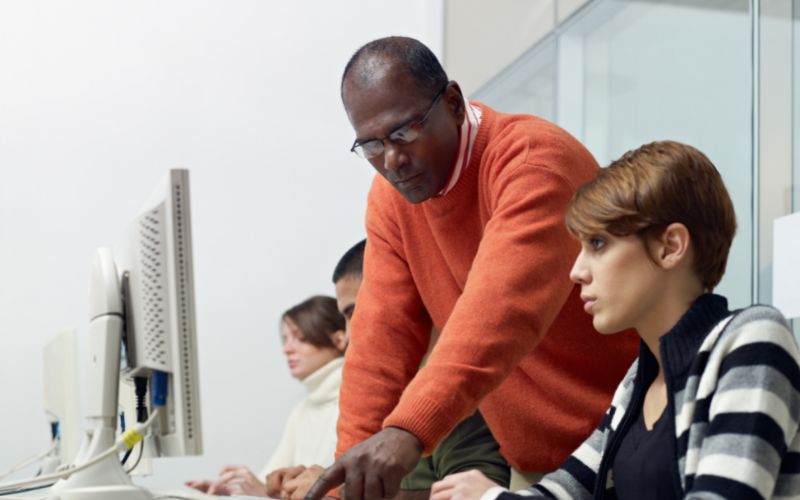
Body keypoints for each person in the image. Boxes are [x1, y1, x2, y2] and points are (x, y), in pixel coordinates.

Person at [306, 36, 639, 500]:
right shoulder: (392, 198)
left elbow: (499, 313)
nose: (392, 160)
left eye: (403, 132)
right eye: (371, 145)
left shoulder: (533, 160)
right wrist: (348, 483)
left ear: (454, 103)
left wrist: (408, 431)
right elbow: (379, 342)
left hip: (624, 445)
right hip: (536, 467)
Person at [429, 140, 800, 499]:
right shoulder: (638, 380)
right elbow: (562, 492)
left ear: (670, 246)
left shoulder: (752, 340)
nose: (576, 272)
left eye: (598, 244)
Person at [268, 240, 510, 500]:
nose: (348, 335)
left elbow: (480, 492)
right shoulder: (368, 397)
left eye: (355, 313)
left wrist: (346, 492)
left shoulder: (448, 385)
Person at [186, 296, 347, 497]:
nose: (287, 349)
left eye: (301, 338)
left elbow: (336, 494)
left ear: (339, 340)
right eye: (285, 339)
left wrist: (262, 491)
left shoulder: (355, 403)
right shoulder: (304, 408)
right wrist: (237, 490)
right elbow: (270, 481)